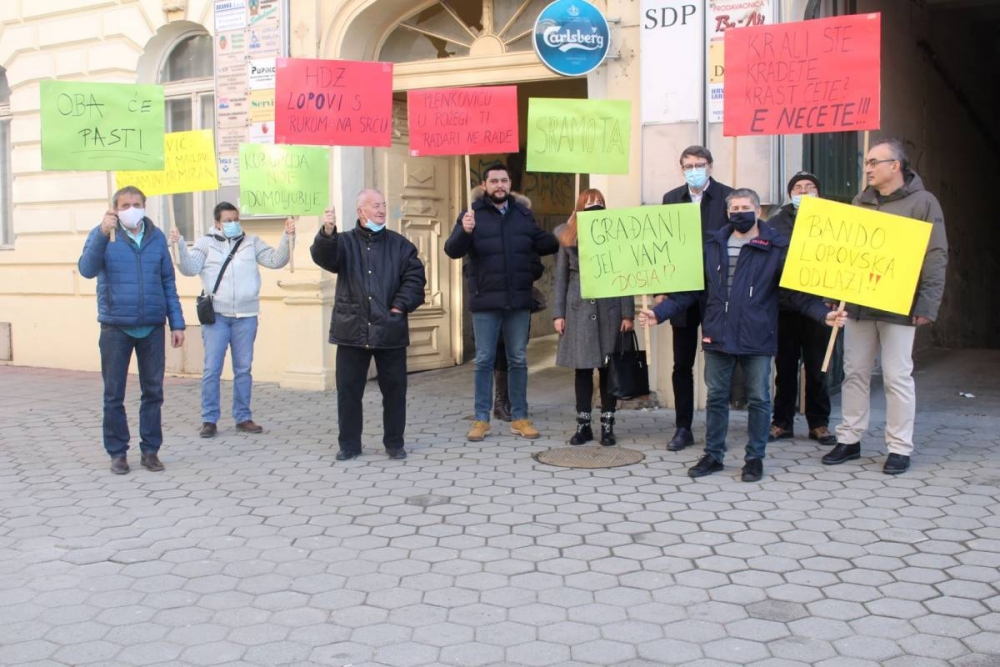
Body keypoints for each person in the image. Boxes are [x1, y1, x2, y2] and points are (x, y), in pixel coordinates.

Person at [639, 188, 845, 482]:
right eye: (733, 208)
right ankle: (713, 455)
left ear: (758, 210)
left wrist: (823, 314)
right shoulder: (712, 245)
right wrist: (658, 313)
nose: (739, 212)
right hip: (718, 335)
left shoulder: (776, 247)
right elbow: (691, 288)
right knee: (716, 397)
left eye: (745, 206)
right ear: (727, 213)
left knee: (760, 399)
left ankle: (754, 458)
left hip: (757, 336)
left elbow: (796, 294)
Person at [824, 139, 948, 475]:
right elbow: (846, 252)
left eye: (874, 161)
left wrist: (927, 303)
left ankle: (899, 447)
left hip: (899, 306)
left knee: (897, 376)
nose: (867, 168)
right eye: (866, 161)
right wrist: (835, 294)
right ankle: (849, 439)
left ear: (896, 165)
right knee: (854, 373)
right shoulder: (859, 203)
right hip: (860, 305)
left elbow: (935, 256)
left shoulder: (923, 202)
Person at [444, 162, 559, 442]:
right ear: (485, 185)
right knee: (484, 360)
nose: (499, 185)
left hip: (518, 300)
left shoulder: (523, 214)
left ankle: (520, 417)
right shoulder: (472, 215)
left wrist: (569, 230)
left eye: (504, 181)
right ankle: (481, 419)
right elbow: (452, 250)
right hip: (485, 301)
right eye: (493, 181)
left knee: (518, 359)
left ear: (510, 185)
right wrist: (464, 230)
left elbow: (545, 244)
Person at [310, 190, 426, 461]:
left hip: (390, 329)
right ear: (360, 211)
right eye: (375, 206)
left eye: (384, 205)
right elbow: (324, 257)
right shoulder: (344, 242)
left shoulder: (401, 245)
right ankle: (349, 444)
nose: (382, 210)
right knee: (349, 392)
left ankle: (394, 442)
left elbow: (415, 279)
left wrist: (398, 307)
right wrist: (327, 232)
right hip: (352, 328)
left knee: (395, 391)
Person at [77, 186, 185, 474]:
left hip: (151, 326)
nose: (131, 209)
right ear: (114, 208)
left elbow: (168, 283)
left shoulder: (157, 238)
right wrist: (102, 233)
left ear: (145, 206)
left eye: (136, 204)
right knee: (114, 394)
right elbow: (86, 269)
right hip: (116, 327)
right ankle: (117, 452)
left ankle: (150, 450)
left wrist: (177, 323)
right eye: (125, 205)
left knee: (153, 392)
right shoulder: (104, 235)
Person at [171, 203, 295, 438]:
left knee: (243, 369)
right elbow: (189, 268)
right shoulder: (205, 243)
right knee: (212, 369)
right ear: (217, 222)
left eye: (235, 219)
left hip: (245, 316)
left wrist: (287, 237)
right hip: (217, 315)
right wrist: (177, 245)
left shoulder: (251, 242)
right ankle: (209, 419)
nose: (232, 224)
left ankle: (243, 416)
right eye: (227, 220)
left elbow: (276, 260)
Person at [659, 146, 734, 452]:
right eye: (688, 165)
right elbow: (661, 243)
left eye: (699, 164)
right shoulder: (670, 198)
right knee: (682, 363)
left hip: (717, 293)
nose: (694, 169)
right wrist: (662, 287)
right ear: (681, 169)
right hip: (682, 290)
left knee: (719, 361)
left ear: (711, 167)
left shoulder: (729, 198)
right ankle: (683, 427)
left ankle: (718, 430)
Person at [553, 189, 635, 446]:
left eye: (599, 202)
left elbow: (625, 276)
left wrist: (627, 313)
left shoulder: (615, 236)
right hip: (577, 309)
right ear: (580, 207)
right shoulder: (568, 236)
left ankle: (607, 426)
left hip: (609, 310)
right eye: (589, 203)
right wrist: (558, 313)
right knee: (583, 369)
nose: (595, 206)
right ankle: (583, 426)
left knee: (608, 369)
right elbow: (561, 277)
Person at [766, 172, 836, 447]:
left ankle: (819, 423)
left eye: (810, 187)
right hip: (784, 306)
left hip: (820, 306)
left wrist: (834, 294)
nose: (804, 191)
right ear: (790, 193)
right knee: (784, 367)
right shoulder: (775, 223)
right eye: (798, 187)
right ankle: (781, 422)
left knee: (818, 367)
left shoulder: (833, 221)